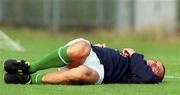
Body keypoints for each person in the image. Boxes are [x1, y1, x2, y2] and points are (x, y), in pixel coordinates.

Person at [3, 38, 165, 84]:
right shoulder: (131, 59)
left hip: (100, 73)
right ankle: (31, 67)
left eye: (158, 69)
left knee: (83, 73)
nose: (155, 65)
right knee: (82, 48)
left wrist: (135, 53)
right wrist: (98, 46)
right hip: (92, 52)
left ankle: (29, 79)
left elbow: (147, 77)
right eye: (156, 62)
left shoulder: (139, 68)